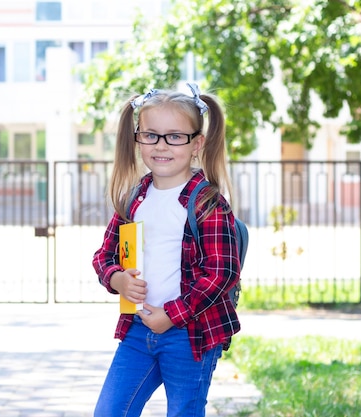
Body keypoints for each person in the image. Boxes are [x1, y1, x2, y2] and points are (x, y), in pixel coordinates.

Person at [92, 83, 241, 417]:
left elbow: (223, 273)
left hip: (190, 338)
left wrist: (171, 315)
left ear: (196, 144)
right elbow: (104, 256)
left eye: (175, 136)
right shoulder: (134, 198)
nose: (161, 145)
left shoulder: (206, 203)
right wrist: (116, 279)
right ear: (137, 138)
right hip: (137, 333)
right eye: (150, 135)